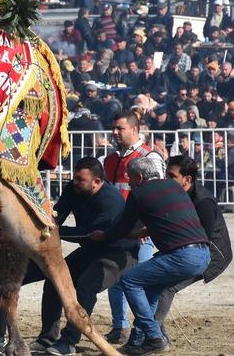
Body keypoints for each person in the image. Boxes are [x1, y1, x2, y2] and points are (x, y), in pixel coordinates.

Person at [0, 158, 139, 356]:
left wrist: (55, 231)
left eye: (80, 179)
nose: (74, 182)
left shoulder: (110, 201)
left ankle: (68, 342)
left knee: (85, 287)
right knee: (54, 280)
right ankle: (47, 338)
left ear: (97, 182)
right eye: (74, 177)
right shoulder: (73, 189)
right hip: (91, 249)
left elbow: (90, 233)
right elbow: (56, 216)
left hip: (117, 252)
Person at [90, 157, 211, 355]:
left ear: (138, 177)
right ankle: (137, 341)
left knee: (129, 280)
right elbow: (169, 221)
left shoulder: (139, 193)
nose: (128, 182)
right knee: (151, 290)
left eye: (130, 178)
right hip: (203, 254)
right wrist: (140, 233)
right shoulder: (175, 188)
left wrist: (104, 235)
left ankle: (154, 337)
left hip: (182, 256)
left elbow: (123, 227)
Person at [102, 110, 165, 344]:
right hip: (119, 230)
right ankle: (120, 326)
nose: (115, 132)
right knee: (115, 276)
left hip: (141, 233)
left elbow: (158, 194)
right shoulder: (109, 159)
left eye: (120, 128)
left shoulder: (150, 156)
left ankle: (149, 329)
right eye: (114, 128)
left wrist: (146, 227)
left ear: (135, 130)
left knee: (142, 280)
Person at [154, 156, 232, 336]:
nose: (166, 179)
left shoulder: (203, 201)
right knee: (154, 281)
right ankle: (157, 333)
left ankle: (153, 335)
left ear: (187, 180)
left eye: (171, 176)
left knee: (166, 288)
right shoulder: (174, 194)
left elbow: (201, 238)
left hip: (210, 253)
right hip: (186, 249)